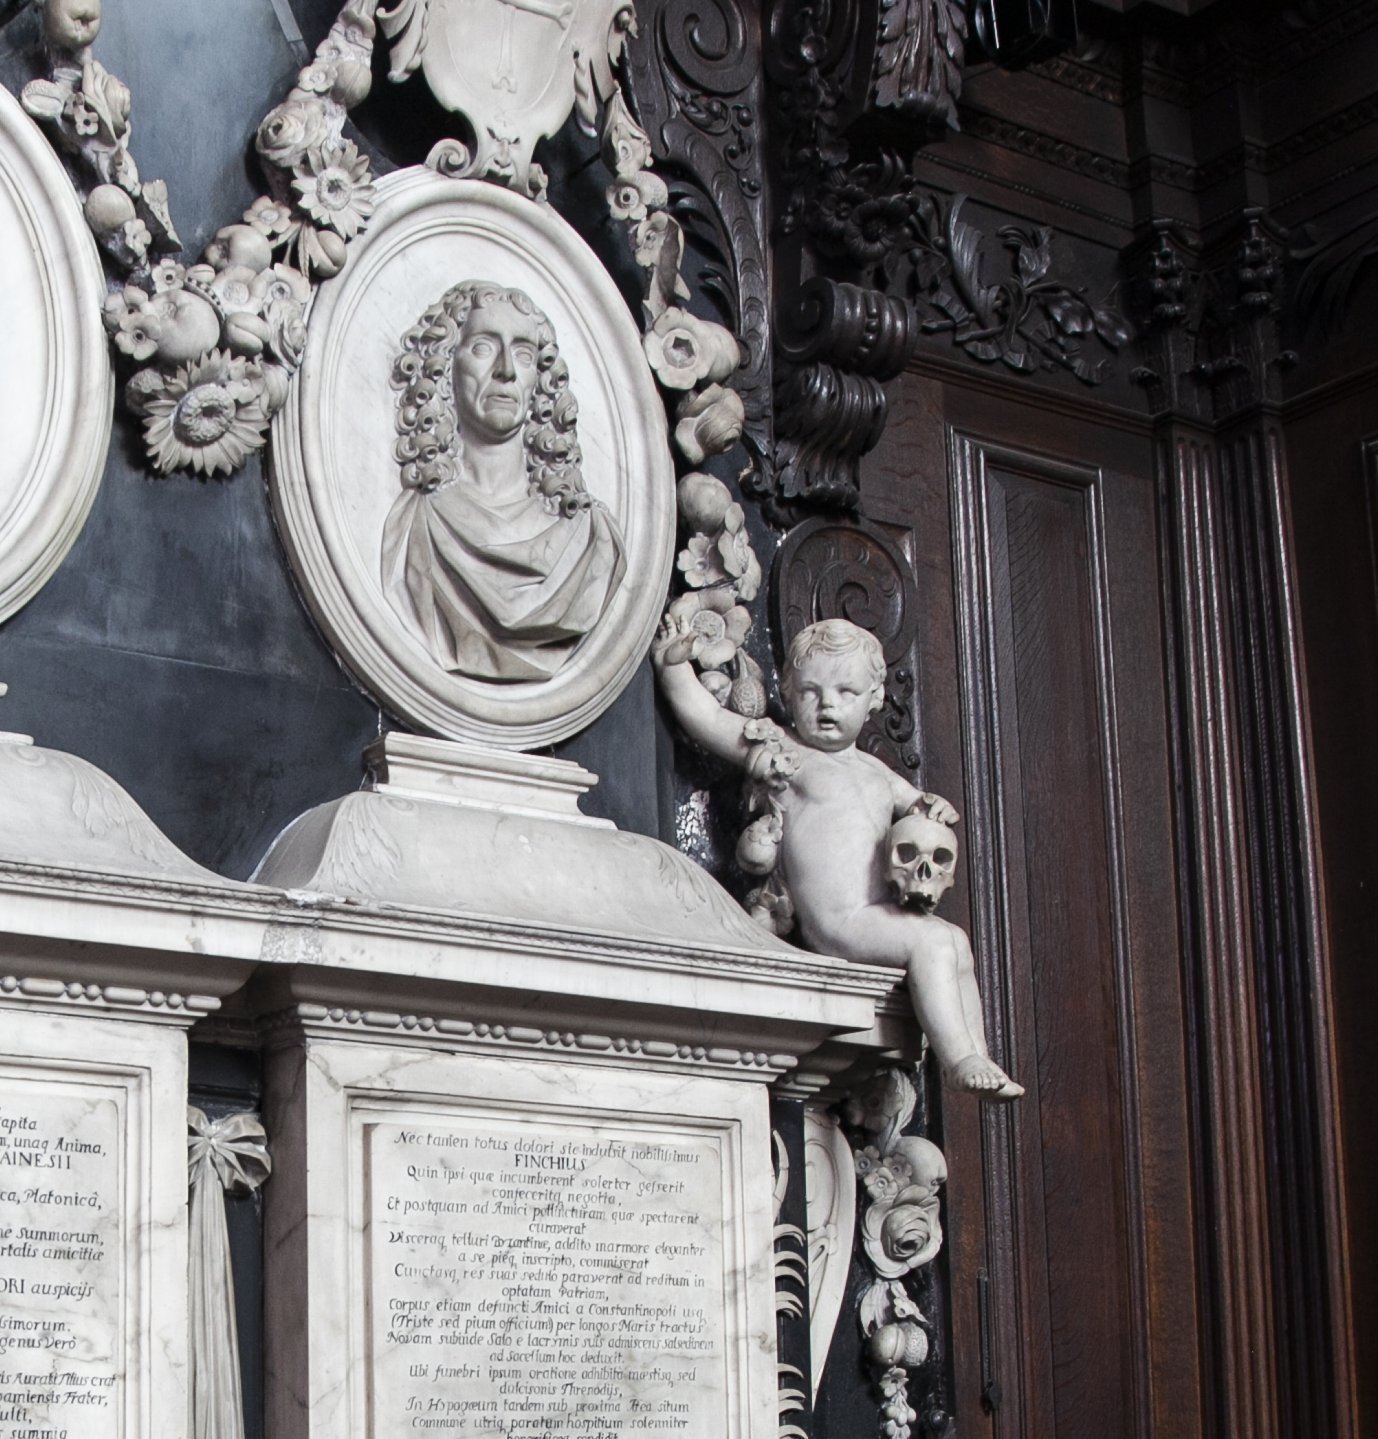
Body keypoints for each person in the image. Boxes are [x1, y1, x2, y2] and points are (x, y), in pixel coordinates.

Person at [658, 616, 1023, 1096]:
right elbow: (709, 721)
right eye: (810, 692)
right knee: (932, 944)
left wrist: (930, 807)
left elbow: (919, 804)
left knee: (953, 938)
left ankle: (976, 1049)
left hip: (873, 912)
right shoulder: (789, 754)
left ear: (874, 700)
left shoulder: (875, 772)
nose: (827, 704)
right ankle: (959, 1058)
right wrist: (673, 665)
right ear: (788, 693)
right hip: (837, 921)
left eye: (846, 693)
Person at [380, 281, 623, 685]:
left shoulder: (591, 537)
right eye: (483, 348)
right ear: (444, 370)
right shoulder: (412, 528)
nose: (506, 370)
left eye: (524, 354)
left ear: (540, 383)